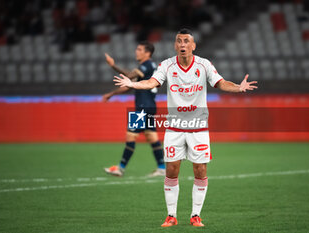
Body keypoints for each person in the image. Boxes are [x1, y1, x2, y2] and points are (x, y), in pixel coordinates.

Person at [113, 29, 258, 227]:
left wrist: (238, 87)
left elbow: (221, 83)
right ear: (175, 45)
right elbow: (151, 82)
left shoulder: (204, 64)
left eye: (186, 41)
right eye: (179, 41)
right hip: (175, 127)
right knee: (171, 170)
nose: (182, 44)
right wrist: (133, 84)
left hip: (198, 127)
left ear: (193, 46)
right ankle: (171, 216)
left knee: (200, 170)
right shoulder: (167, 65)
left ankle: (195, 215)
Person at [103, 41, 166, 177]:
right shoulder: (151, 66)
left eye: (139, 49)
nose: (136, 51)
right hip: (150, 107)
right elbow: (129, 86)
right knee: (152, 137)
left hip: (142, 108)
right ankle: (162, 167)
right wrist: (111, 94)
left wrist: (113, 65)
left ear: (147, 53)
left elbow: (129, 77)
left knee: (130, 136)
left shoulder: (146, 65)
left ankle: (120, 168)